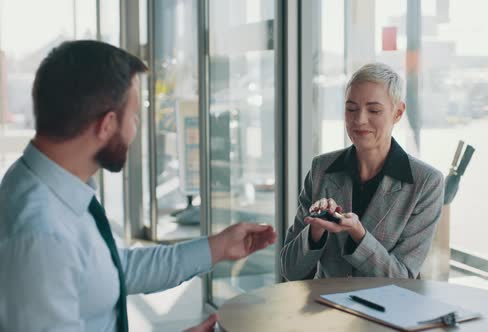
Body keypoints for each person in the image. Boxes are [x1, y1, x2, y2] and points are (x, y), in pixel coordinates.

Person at [0, 40, 277, 332]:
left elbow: (112, 268)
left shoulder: (49, 188)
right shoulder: (41, 236)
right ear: (106, 125)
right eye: (133, 117)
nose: (136, 130)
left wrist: (217, 247)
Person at [280, 63, 443, 280]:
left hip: (385, 311)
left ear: (398, 112)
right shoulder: (322, 169)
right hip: (327, 309)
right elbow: (291, 271)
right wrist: (315, 231)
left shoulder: (425, 183)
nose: (359, 120)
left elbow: (403, 278)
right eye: (351, 109)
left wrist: (359, 234)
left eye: (374, 110)